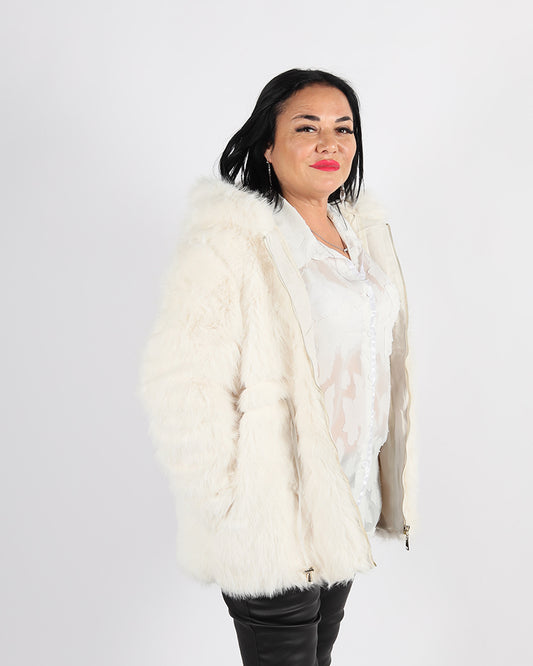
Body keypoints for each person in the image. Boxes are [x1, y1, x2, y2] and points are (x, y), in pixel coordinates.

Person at [139, 68, 415, 666]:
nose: (329, 143)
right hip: (273, 517)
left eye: (344, 128)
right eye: (306, 127)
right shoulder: (232, 244)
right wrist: (235, 507)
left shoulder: (359, 234)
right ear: (268, 144)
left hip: (345, 501)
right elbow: (181, 387)